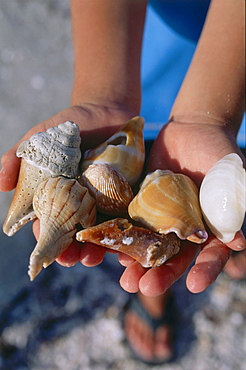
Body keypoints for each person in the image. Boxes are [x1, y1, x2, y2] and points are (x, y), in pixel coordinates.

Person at [0, 0, 245, 364]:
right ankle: (186, 249)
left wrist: (210, 115)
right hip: (154, 40)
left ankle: (218, 231)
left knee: (229, 173)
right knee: (175, 138)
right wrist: (102, 94)